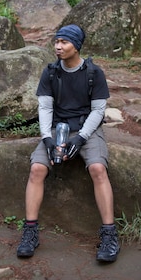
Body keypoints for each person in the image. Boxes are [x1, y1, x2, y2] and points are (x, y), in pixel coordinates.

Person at [16, 24, 120, 263]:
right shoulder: (51, 72)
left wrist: (81, 137)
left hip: (88, 128)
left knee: (98, 169)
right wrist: (47, 139)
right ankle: (30, 233)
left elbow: (98, 110)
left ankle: (109, 235)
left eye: (64, 42)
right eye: (57, 41)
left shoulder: (94, 73)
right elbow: (44, 107)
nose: (58, 47)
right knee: (37, 169)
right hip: (56, 128)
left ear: (77, 46)